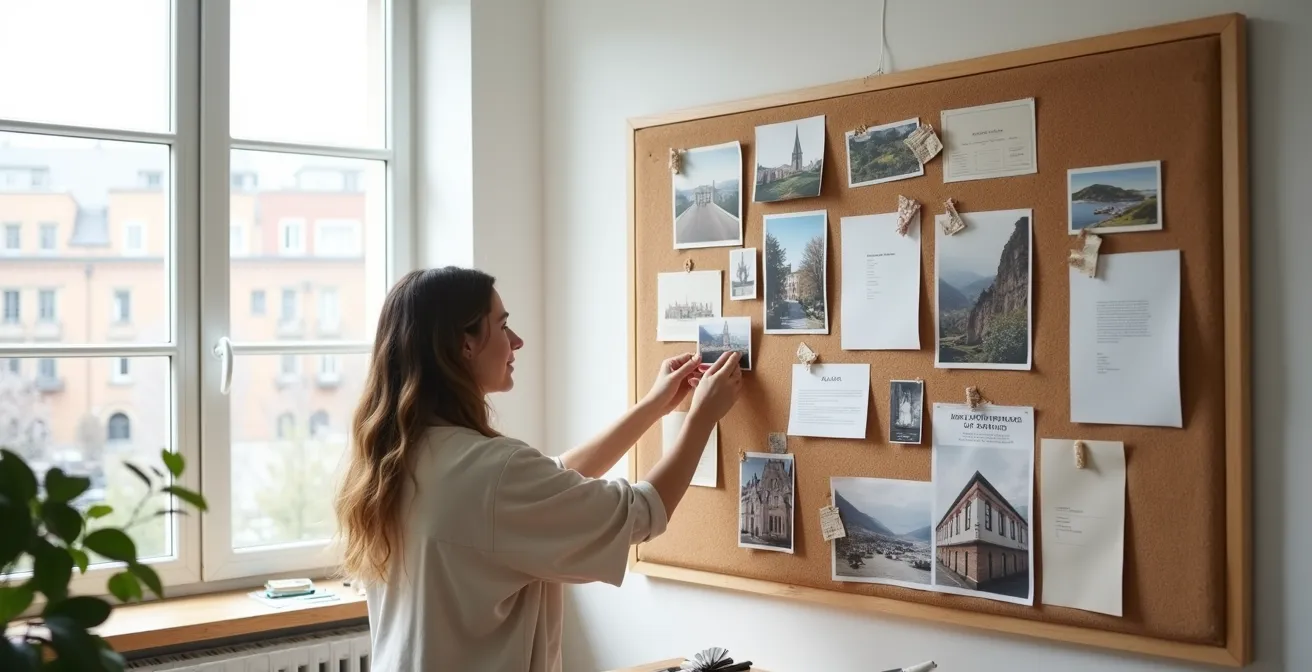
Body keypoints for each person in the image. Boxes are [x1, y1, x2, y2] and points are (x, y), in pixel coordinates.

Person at [333, 266, 743, 672]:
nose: (517, 341)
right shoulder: (493, 471)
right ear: (465, 345)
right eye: (503, 325)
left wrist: (653, 406)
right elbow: (640, 513)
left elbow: (550, 481)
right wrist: (702, 417)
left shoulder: (393, 456)